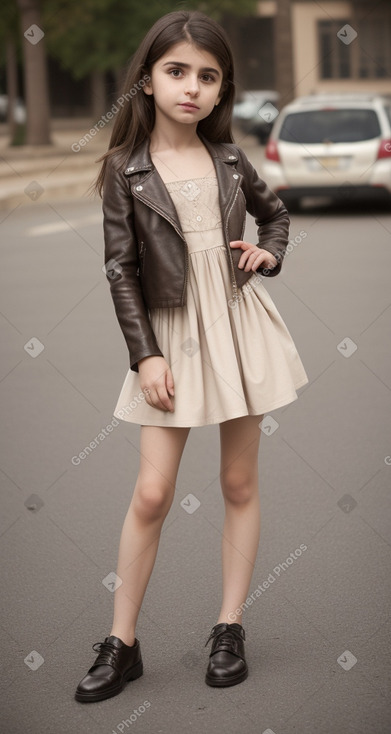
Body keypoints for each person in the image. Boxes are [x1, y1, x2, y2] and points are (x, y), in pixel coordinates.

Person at [75, 9, 308, 703]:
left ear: (220, 90)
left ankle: (228, 625)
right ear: (146, 80)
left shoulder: (232, 159)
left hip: (237, 325)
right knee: (151, 492)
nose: (191, 87)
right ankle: (122, 641)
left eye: (207, 76)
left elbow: (277, 216)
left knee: (238, 485)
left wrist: (269, 254)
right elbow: (119, 268)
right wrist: (143, 356)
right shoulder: (125, 167)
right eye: (176, 71)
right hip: (169, 335)